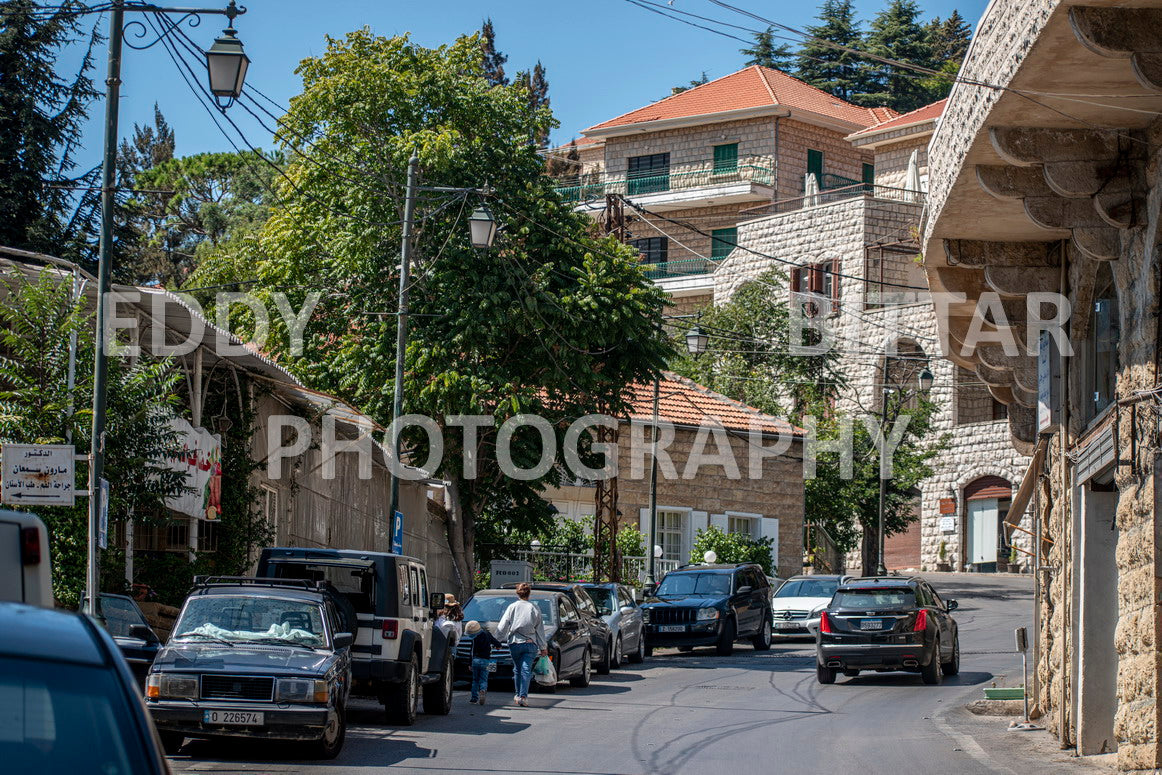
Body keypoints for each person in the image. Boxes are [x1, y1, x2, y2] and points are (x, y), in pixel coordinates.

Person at [496, 582, 548, 706]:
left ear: (517, 593)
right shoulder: (534, 608)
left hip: (514, 642)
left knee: (517, 669)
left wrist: (497, 640)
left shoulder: (512, 607)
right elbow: (539, 629)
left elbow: (503, 625)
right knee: (526, 670)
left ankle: (518, 694)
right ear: (529, 594)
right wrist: (543, 647)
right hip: (530, 643)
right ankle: (523, 696)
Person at [464, 620, 503, 705]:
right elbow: (497, 644)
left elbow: (471, 652)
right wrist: (498, 647)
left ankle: (474, 698)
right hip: (486, 660)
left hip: (475, 660)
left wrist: (469, 663)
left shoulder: (474, 637)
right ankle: (482, 690)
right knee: (484, 679)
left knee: (475, 680)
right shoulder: (487, 634)